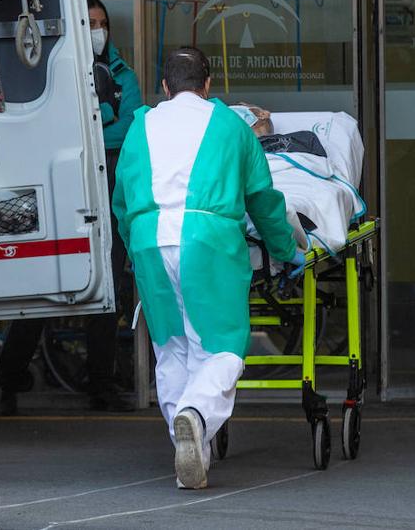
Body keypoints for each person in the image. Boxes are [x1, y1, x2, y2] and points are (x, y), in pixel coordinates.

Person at [112, 47, 305, 489]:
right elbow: (262, 199)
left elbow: (121, 203)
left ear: (164, 87)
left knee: (172, 347)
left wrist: (135, 255)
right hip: (208, 239)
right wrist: (286, 249)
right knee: (221, 348)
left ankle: (191, 455)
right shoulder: (230, 127)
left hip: (148, 238)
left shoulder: (141, 125)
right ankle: (195, 415)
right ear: (208, 85)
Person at [0, 0, 142, 415]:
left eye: (102, 22)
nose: (98, 30)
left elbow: (125, 133)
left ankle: (102, 385)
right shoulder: (53, 73)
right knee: (45, 287)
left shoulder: (122, 75)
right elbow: (53, 127)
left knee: (108, 290)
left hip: (109, 189)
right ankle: (9, 378)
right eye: (89, 22)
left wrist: (91, 121)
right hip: (62, 189)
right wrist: (101, 118)